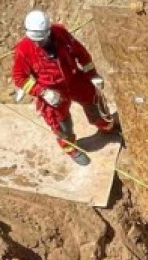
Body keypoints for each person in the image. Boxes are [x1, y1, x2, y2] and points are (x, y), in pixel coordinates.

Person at [11, 9, 116, 167]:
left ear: (48, 32)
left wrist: (92, 74)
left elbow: (80, 53)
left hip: (74, 79)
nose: (38, 44)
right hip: (51, 90)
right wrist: (43, 92)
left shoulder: (60, 33)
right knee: (61, 124)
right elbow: (19, 78)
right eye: (35, 40)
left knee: (95, 104)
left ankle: (108, 128)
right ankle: (70, 149)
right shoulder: (23, 50)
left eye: (41, 40)